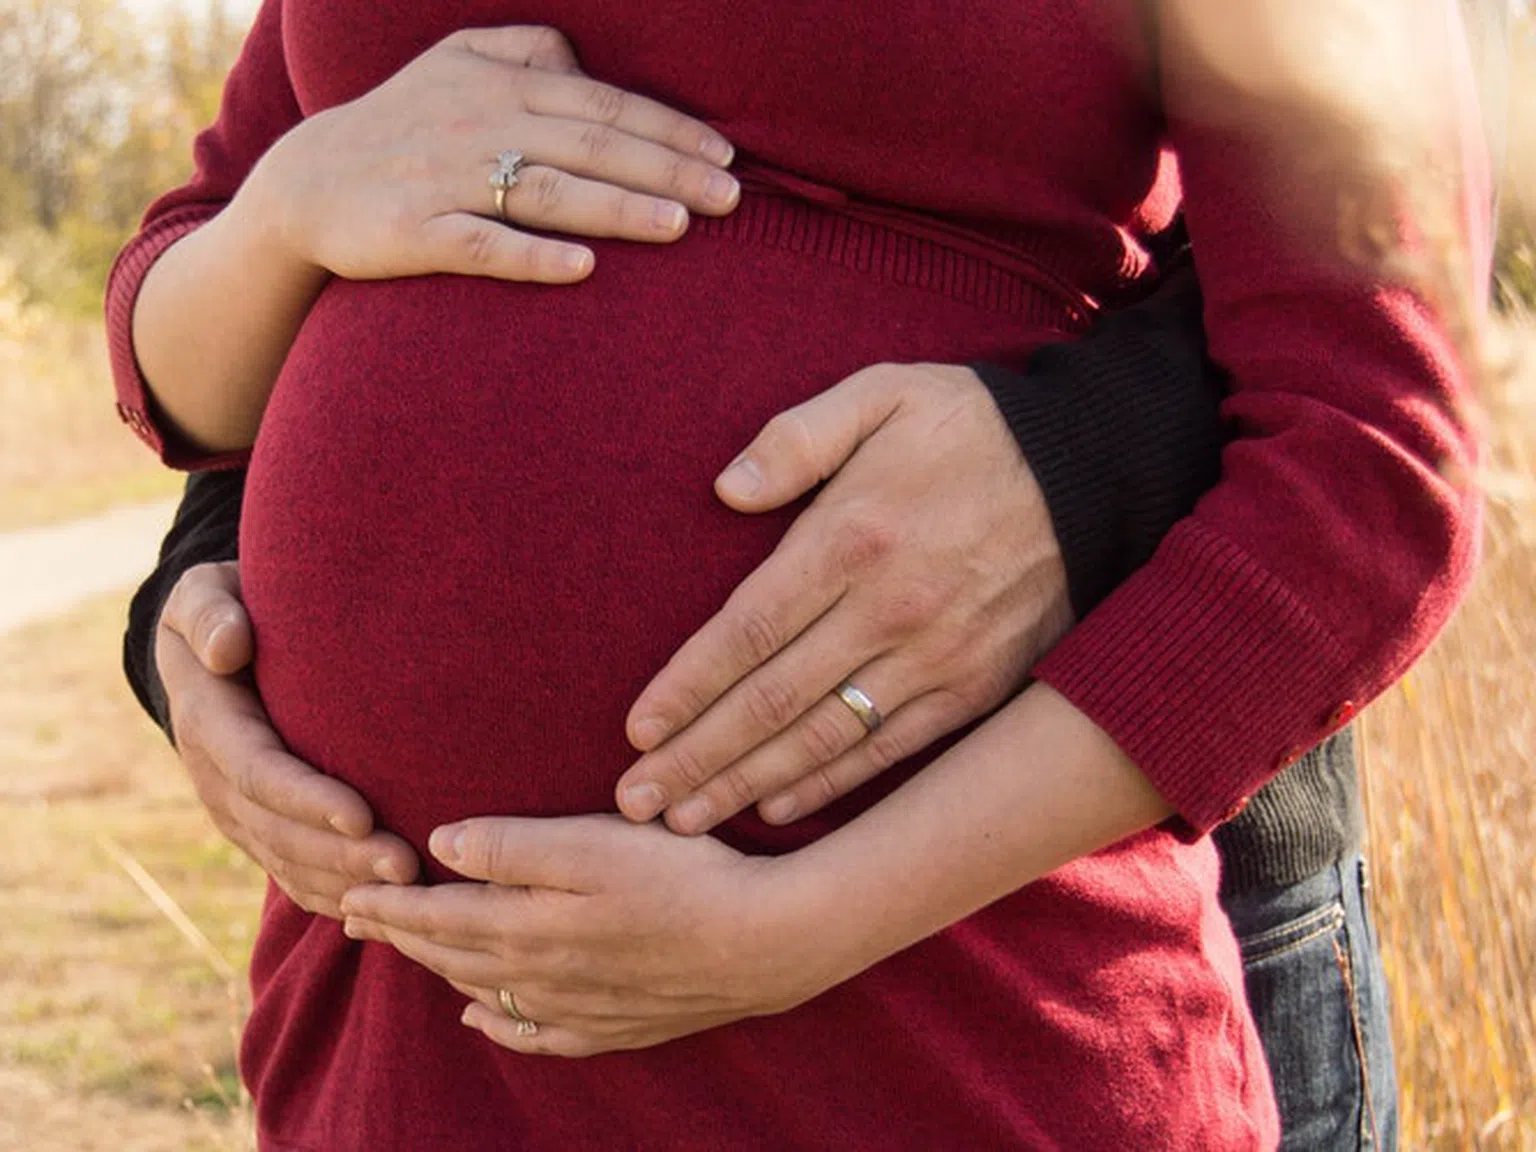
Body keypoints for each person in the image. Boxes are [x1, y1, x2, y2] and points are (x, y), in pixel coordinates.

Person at [106, 3, 1488, 1148]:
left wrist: (799, 925)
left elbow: (1373, 457)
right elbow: (203, 276)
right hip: (407, 1048)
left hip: (951, 1032)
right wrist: (280, 242)